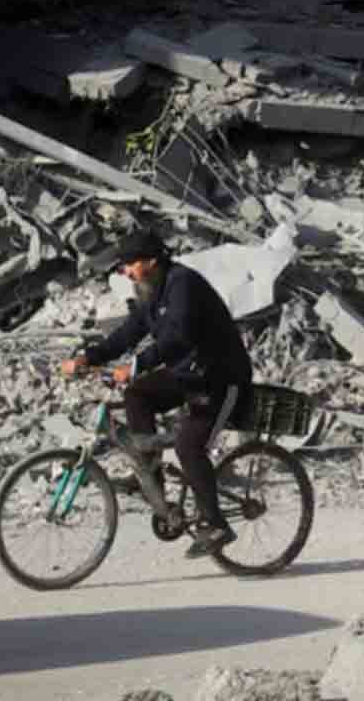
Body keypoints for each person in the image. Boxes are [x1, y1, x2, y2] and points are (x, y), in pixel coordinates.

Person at [60, 229, 252, 559]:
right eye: (123, 267)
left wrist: (136, 365)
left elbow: (178, 337)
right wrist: (89, 357)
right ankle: (150, 479)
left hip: (221, 378)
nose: (125, 271)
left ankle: (216, 523)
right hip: (189, 375)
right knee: (137, 394)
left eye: (130, 264)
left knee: (187, 445)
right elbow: (129, 332)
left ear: (152, 261)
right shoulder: (150, 290)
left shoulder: (183, 284)